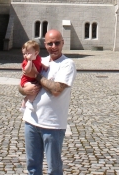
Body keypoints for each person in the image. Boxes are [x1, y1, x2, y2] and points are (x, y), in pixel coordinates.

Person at [19, 29, 76, 175]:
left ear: (63, 43)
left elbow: (57, 89)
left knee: (54, 168)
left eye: (57, 43)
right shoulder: (40, 60)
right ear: (45, 45)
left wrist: (37, 76)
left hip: (52, 124)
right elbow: (22, 83)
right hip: (31, 121)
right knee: (32, 166)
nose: (54, 46)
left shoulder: (67, 64)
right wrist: (23, 90)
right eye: (50, 43)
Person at [20, 40, 42, 111]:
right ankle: (29, 102)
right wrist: (29, 61)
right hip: (26, 81)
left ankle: (24, 104)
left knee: (33, 90)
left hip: (33, 80)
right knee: (33, 88)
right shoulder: (26, 61)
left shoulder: (38, 58)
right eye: (24, 54)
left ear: (36, 53)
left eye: (28, 53)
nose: (26, 56)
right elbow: (27, 70)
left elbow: (40, 64)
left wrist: (44, 66)